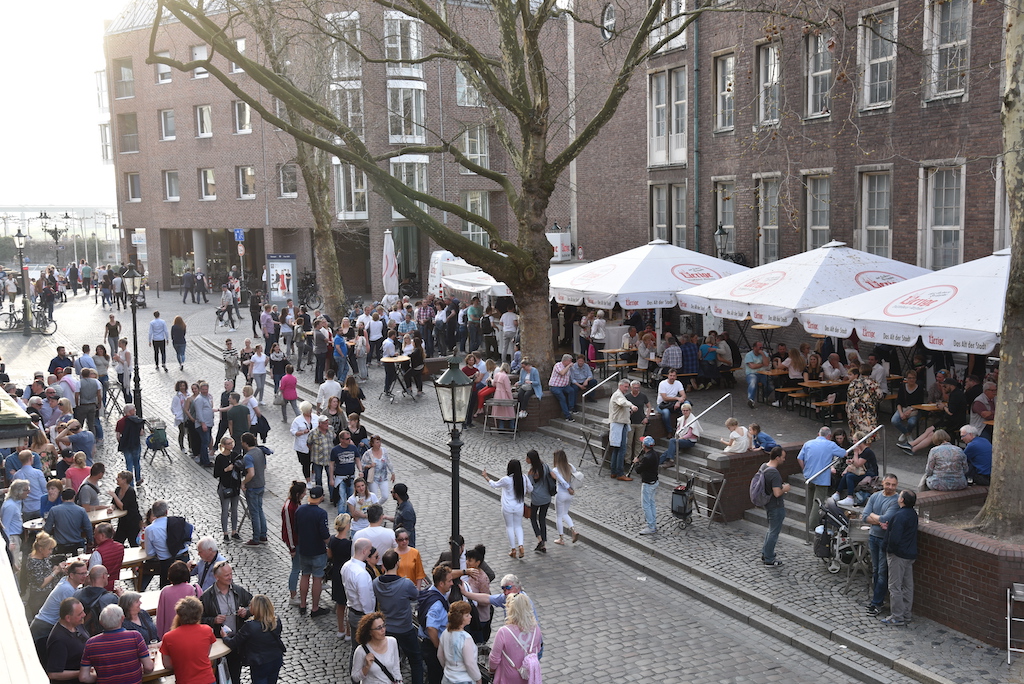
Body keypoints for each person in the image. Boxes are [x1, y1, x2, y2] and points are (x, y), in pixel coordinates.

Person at [373, 550, 424, 684]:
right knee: (416, 660)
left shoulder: (376, 583)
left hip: (387, 629)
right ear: (398, 563)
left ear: (383, 565)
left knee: (389, 660)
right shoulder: (405, 584)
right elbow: (416, 595)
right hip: (404, 628)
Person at [199, 561, 252, 684]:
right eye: (226, 575)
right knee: (219, 677)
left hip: (236, 642)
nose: (230, 577)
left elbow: (254, 605)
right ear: (217, 577)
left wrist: (246, 612)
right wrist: (213, 620)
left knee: (235, 676)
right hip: (218, 644)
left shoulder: (238, 591)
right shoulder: (207, 596)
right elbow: (199, 619)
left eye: (231, 574)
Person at [78, 604, 155, 683]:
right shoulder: (135, 636)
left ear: (101, 622)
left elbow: (84, 677)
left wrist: (99, 677)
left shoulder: (91, 643)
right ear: (122, 618)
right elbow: (149, 667)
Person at [222, 594, 286, 684]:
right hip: (276, 658)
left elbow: (233, 643)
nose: (249, 606)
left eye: (251, 605)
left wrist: (224, 637)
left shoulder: (250, 626)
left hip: (260, 663)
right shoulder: (276, 621)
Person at [797, 427, 846, 542]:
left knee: (809, 499)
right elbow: (843, 453)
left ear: (818, 433)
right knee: (818, 502)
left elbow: (799, 458)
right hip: (822, 478)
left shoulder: (808, 443)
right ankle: (812, 525)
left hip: (809, 476)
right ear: (829, 436)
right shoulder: (830, 445)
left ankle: (809, 520)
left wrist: (805, 470)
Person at [862, 474, 900, 616]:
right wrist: (879, 521)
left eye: (893, 485)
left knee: (882, 572)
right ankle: (877, 599)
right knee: (876, 569)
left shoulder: (896, 501)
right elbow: (865, 517)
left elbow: (886, 519)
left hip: (885, 540)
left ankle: (877, 603)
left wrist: (874, 516)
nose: (890, 487)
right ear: (883, 483)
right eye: (888, 484)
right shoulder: (875, 496)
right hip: (873, 537)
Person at [880, 490, 919, 626]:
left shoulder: (900, 515)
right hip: (910, 554)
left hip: (898, 555)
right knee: (908, 585)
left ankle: (897, 616)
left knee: (894, 586)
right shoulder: (913, 514)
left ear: (902, 500)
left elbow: (895, 538)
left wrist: (889, 550)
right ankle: (906, 614)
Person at [160, 596, 216, 684]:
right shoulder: (207, 630)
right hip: (207, 680)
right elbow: (206, 653)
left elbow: (167, 665)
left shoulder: (168, 637)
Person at [483, 459, 533, 559]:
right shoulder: (524, 478)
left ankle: (513, 549)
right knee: (518, 526)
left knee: (510, 527)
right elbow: (531, 489)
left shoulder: (506, 479)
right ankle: (521, 546)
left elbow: (494, 485)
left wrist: (486, 476)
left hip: (507, 507)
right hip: (519, 507)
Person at [488, 592, 541, 684]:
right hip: (529, 675)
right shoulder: (536, 629)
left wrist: (491, 671)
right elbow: (538, 650)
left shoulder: (503, 632)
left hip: (509, 675)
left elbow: (494, 659)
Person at [295, 485, 331, 617]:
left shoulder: (300, 510)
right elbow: (324, 534)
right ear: (321, 497)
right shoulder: (321, 513)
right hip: (318, 550)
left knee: (305, 575)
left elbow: (296, 529)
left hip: (304, 549)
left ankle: (303, 605)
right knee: (317, 578)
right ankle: (315, 608)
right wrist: (330, 544)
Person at [757, 447, 790, 566]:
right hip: (775, 506)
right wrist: (785, 488)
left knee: (771, 530)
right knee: (774, 532)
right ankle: (769, 558)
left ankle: (766, 553)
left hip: (768, 504)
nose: (784, 460)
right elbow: (777, 493)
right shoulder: (774, 472)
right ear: (777, 457)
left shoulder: (764, 466)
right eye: (783, 457)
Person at [45, 597, 90, 682]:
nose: (84, 615)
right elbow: (53, 674)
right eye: (79, 614)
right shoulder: (59, 640)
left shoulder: (78, 624)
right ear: (68, 618)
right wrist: (82, 672)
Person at [351, 611, 403, 684]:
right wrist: (366, 667)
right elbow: (355, 677)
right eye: (378, 628)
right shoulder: (361, 651)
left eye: (383, 626)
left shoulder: (392, 641)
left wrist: (399, 680)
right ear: (370, 632)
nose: (383, 630)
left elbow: (396, 667)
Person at [436, 601, 481, 684]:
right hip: (464, 679)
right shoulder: (466, 638)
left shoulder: (445, 633)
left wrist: (448, 668)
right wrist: (478, 678)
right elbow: (469, 663)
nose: (470, 617)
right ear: (460, 619)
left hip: (447, 678)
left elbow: (440, 655)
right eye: (467, 615)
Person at [155, 560, 201, 638]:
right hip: (193, 632)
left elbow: (160, 615)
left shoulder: (165, 591)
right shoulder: (194, 588)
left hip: (171, 634)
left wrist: (160, 635)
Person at [43, 488, 93, 555]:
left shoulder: (54, 510)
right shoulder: (81, 510)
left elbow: (47, 529)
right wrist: (90, 541)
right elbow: (88, 527)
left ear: (61, 498)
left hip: (60, 546)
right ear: (74, 497)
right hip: (77, 545)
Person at [328, 513, 353, 638]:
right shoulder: (348, 544)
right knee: (349, 602)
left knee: (340, 603)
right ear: (347, 526)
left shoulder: (332, 540)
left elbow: (330, 556)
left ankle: (341, 629)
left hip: (336, 572)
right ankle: (349, 631)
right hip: (346, 573)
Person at [240, 432, 268, 546]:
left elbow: (251, 473)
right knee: (260, 510)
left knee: (254, 513)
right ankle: (263, 535)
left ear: (245, 443)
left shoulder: (248, 456)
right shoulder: (260, 451)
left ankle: (256, 538)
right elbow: (264, 466)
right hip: (261, 484)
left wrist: (243, 482)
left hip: (252, 487)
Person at [525, 450, 553, 553]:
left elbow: (529, 488)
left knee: (533, 518)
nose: (525, 460)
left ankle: (539, 539)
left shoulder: (531, 472)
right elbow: (553, 476)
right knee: (542, 518)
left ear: (531, 460)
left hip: (536, 499)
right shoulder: (545, 466)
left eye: (527, 458)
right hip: (546, 498)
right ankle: (544, 543)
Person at [608, 379, 636, 481]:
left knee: (616, 449)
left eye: (628, 387)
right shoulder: (618, 395)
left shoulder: (619, 395)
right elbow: (622, 402)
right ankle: (619, 472)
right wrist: (631, 405)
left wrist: (629, 411)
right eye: (625, 387)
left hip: (620, 423)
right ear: (620, 386)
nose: (627, 389)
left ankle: (614, 471)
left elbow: (622, 406)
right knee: (621, 449)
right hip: (618, 424)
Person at [550, 449, 580, 545]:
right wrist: (572, 488)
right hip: (570, 495)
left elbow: (561, 481)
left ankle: (561, 538)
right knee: (565, 513)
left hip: (561, 494)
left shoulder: (555, 469)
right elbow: (576, 476)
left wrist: (568, 488)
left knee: (559, 516)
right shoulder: (570, 466)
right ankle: (573, 530)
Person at [847, 365, 885, 437]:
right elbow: (880, 396)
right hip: (867, 409)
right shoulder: (873, 383)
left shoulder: (854, 382)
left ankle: (857, 446)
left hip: (854, 409)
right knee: (868, 432)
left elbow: (849, 394)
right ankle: (866, 447)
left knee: (856, 432)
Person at [660, 402, 701, 467]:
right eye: (683, 411)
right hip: (681, 439)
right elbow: (678, 430)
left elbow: (689, 434)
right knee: (668, 451)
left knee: (672, 441)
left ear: (690, 411)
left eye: (686, 410)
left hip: (690, 441)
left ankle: (671, 460)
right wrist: (678, 437)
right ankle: (657, 463)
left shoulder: (693, 420)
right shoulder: (681, 419)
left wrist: (680, 438)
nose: (685, 412)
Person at [634, 436, 660, 536]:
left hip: (648, 483)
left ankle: (651, 526)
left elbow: (638, 470)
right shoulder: (655, 454)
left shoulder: (647, 458)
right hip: (654, 481)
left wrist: (636, 462)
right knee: (652, 503)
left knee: (646, 505)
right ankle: (653, 523)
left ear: (644, 446)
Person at [87, 523, 124, 592]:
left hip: (100, 589)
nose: (94, 536)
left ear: (102, 535)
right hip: (115, 585)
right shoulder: (120, 547)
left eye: (95, 534)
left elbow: (91, 576)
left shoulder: (98, 553)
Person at [891, 370, 924, 446]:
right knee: (894, 420)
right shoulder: (902, 387)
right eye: (909, 378)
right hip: (903, 408)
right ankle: (907, 433)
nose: (911, 380)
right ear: (906, 379)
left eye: (913, 378)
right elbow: (898, 402)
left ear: (916, 379)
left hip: (914, 409)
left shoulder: (919, 388)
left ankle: (906, 432)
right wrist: (901, 413)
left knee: (911, 422)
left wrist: (910, 410)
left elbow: (920, 404)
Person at [362, 435, 395, 502]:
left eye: (379, 442)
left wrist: (392, 473)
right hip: (373, 478)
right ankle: (375, 510)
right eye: (377, 442)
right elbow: (362, 464)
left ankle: (376, 507)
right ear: (372, 444)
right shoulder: (368, 453)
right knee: (374, 497)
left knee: (385, 496)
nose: (379, 444)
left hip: (383, 477)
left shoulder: (384, 450)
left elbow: (388, 462)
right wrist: (369, 465)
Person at [743, 341, 773, 409]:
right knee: (753, 382)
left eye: (762, 347)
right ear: (754, 348)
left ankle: (765, 396)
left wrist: (762, 354)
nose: (761, 348)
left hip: (763, 373)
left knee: (771, 385)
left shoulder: (764, 353)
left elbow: (767, 364)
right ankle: (751, 400)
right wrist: (762, 364)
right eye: (759, 347)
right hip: (751, 373)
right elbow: (752, 366)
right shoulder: (749, 355)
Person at [656, 369, 687, 433]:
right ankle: (669, 431)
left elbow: (683, 395)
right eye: (671, 375)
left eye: (674, 376)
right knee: (666, 412)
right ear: (668, 376)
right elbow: (665, 398)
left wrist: (678, 402)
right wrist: (677, 398)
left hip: (673, 404)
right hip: (662, 405)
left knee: (687, 404)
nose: (672, 377)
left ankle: (682, 426)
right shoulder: (662, 384)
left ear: (676, 376)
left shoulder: (678, 383)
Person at [386, 482, 417, 547]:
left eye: (392, 492)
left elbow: (408, 530)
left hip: (405, 545)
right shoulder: (400, 505)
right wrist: (386, 517)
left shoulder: (407, 510)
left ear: (396, 495)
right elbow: (399, 520)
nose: (391, 494)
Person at [547, 354, 575, 421]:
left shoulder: (569, 367)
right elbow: (562, 373)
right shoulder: (558, 365)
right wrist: (568, 366)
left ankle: (571, 408)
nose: (571, 363)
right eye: (569, 361)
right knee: (562, 398)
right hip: (555, 386)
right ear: (565, 361)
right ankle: (567, 415)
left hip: (564, 386)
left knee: (571, 391)